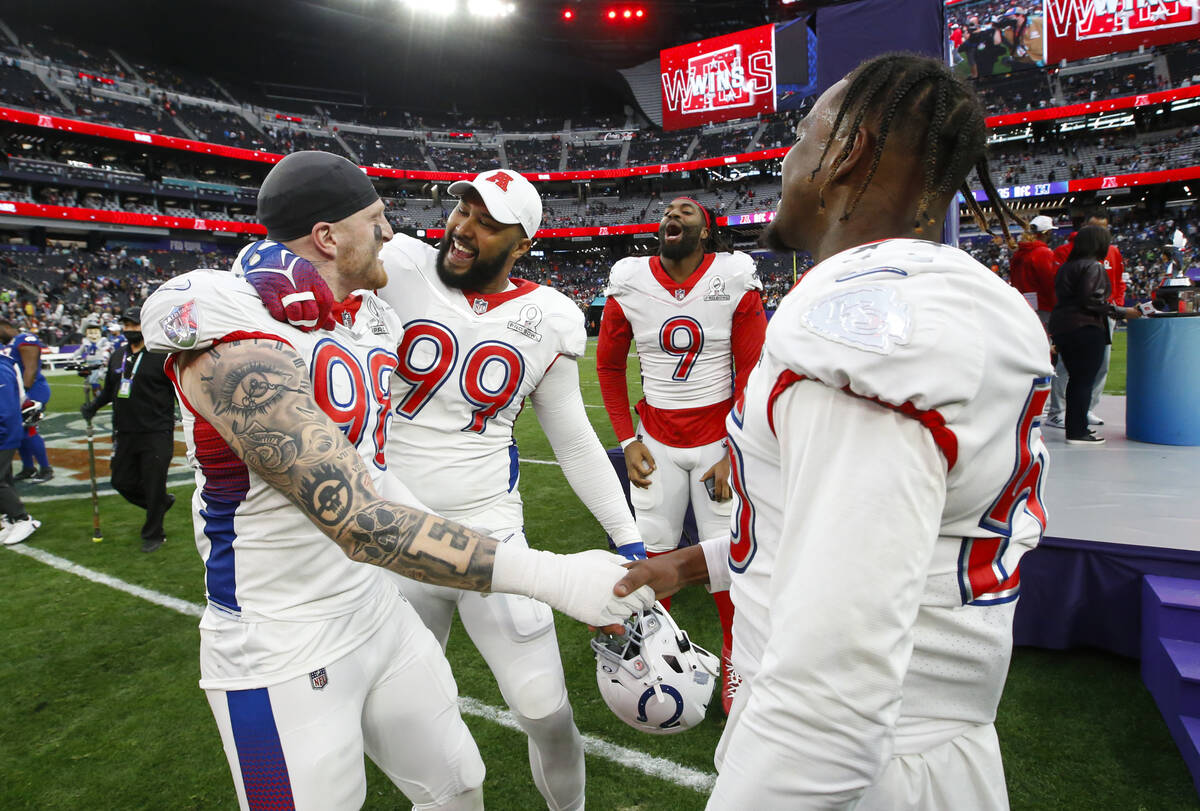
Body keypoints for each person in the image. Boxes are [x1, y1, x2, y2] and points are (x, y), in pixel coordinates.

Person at [140, 151, 653, 811]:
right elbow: (358, 518)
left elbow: (375, 475)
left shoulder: (372, 319)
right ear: (328, 237)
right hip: (281, 638)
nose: (395, 232)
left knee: (458, 785)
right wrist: (555, 575)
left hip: (376, 608)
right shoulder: (232, 319)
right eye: (379, 219)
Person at [606, 53, 1054, 807]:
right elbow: (846, 529)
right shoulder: (947, 295)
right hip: (916, 746)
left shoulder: (863, 322)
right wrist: (688, 565)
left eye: (803, 135)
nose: (786, 156)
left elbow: (834, 684)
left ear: (848, 152)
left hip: (859, 766)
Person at [595, 196, 766, 714]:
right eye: (669, 210)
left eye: (688, 210)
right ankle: (649, 661)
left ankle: (737, 668)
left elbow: (756, 368)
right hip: (656, 441)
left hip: (717, 442)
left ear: (708, 231)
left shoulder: (735, 276)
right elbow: (608, 369)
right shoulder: (629, 279)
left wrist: (734, 451)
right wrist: (628, 441)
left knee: (724, 562)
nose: (674, 214)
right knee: (652, 556)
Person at [80, 307, 177, 552]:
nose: (129, 330)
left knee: (154, 483)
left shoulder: (161, 355)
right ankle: (159, 504)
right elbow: (110, 390)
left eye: (134, 325)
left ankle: (154, 533)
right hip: (124, 432)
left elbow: (180, 393)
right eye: (126, 325)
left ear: (145, 326)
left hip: (156, 431)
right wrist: (93, 406)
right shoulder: (118, 355)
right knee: (121, 481)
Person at [1048, 225, 1140, 445]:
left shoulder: (1067, 267)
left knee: (1075, 380)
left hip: (1064, 326)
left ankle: (1075, 427)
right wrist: (1123, 311)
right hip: (1085, 328)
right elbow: (1092, 301)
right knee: (1083, 380)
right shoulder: (1093, 267)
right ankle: (1078, 430)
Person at [0, 321, 53, 482]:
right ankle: (28, 467)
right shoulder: (6, 345)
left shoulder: (25, 338)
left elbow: (31, 368)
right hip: (17, 392)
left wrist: (24, 396)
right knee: (18, 431)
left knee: (29, 430)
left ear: (7, 327)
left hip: (33, 391)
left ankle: (46, 468)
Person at [0, 347, 39, 545]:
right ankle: (10, 518)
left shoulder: (1, 367)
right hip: (5, 432)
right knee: (4, 478)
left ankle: (23, 519)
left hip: (4, 434)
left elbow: (5, 409)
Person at [1009, 214, 1057, 328]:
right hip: (1044, 307)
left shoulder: (1018, 253)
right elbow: (1049, 283)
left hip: (1024, 307)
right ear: (1047, 232)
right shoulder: (1043, 253)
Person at [70, 320, 112, 397]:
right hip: (89, 362)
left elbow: (108, 347)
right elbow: (81, 350)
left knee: (93, 379)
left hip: (98, 361)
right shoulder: (86, 341)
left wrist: (104, 354)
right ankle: (101, 395)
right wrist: (73, 356)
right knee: (90, 380)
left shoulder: (102, 340)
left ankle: (100, 396)